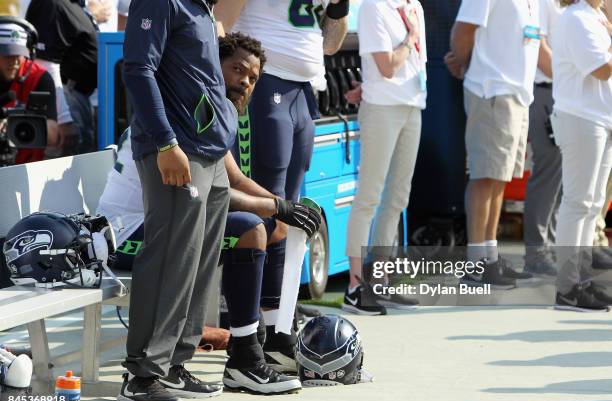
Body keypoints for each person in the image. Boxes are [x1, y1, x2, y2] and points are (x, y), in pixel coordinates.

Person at [101, 33, 320, 395]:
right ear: (210, 68)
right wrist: (278, 206)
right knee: (250, 228)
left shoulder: (211, 114)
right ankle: (235, 359)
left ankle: (254, 351)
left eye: (252, 78)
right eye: (236, 70)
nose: (244, 82)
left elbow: (233, 179)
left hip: (168, 225)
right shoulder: (187, 110)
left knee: (261, 227)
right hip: (123, 237)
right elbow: (210, 193)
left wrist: (285, 210)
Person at [116, 0, 245, 401]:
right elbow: (138, 68)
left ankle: (174, 363)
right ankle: (141, 374)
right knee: (172, 255)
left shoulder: (203, 8)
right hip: (176, 149)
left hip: (208, 150)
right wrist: (165, 143)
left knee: (198, 262)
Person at [214, 0, 349, 373]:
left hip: (304, 89)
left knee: (290, 212)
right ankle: (251, 329)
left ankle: (278, 324)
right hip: (264, 84)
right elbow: (220, 25)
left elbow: (331, 43)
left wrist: (338, 8)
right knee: (266, 207)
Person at [445, 0, 540, 288]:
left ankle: (489, 257)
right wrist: (465, 66)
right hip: (491, 90)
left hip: (516, 95)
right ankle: (476, 264)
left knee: (498, 179)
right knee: (484, 176)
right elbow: (463, 31)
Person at [340, 0, 426, 315]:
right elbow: (388, 66)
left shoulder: (413, 6)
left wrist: (367, 84)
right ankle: (355, 287)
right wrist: (410, 36)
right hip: (382, 110)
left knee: (397, 199)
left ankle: (380, 281)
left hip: (412, 106)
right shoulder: (375, 7)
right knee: (369, 197)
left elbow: (413, 64)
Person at [552, 0, 612, 312]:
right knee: (578, 203)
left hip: (599, 119)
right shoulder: (576, 18)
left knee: (591, 205)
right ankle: (567, 288)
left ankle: (581, 281)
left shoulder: (595, 15)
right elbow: (601, 69)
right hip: (581, 118)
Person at [523, 0, 563, 276]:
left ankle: (550, 247)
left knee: (560, 176)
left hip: (561, 92)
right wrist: (569, 77)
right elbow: (540, 48)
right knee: (548, 172)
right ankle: (537, 252)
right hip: (546, 92)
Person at [26, 0, 98, 154]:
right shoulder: (51, 4)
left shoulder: (72, 4)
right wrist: (64, 118)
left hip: (78, 98)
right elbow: (44, 64)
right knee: (63, 169)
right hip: (65, 98)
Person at [0, 19, 58, 164]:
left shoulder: (40, 78)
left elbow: (52, 136)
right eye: (7, 54)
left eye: (18, 54)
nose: (13, 61)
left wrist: (14, 124)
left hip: (26, 167)